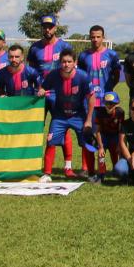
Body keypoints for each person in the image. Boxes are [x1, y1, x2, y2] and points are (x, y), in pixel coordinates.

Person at [46, 49, 95, 180]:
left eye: (69, 61)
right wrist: (40, 91)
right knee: (50, 142)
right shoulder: (53, 75)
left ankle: (91, 174)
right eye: (63, 62)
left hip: (78, 116)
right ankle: (47, 174)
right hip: (59, 116)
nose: (66, 64)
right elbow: (43, 88)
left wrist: (89, 120)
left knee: (87, 142)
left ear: (75, 62)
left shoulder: (83, 76)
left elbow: (91, 97)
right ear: (59, 62)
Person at [90, 90, 126, 182]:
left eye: (112, 103)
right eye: (107, 103)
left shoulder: (120, 112)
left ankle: (117, 170)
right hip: (103, 135)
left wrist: (120, 144)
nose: (109, 105)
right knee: (101, 154)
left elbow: (121, 129)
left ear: (117, 103)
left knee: (116, 152)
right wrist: (101, 146)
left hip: (115, 135)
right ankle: (101, 174)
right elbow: (97, 131)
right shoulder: (100, 112)